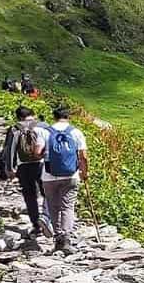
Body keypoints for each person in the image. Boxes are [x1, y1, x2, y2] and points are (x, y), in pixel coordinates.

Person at [42, 106, 88, 255]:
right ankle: (66, 238)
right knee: (67, 206)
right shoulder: (76, 132)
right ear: (68, 117)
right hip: (71, 176)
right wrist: (84, 172)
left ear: (54, 117)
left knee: (53, 206)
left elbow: (37, 152)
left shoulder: (45, 132)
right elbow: (83, 156)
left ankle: (58, 237)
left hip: (48, 176)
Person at [10, 107, 53, 238]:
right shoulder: (44, 126)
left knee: (30, 195)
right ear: (33, 115)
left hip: (23, 166)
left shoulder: (15, 128)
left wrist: (10, 168)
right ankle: (46, 217)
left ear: (18, 117)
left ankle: (36, 224)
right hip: (42, 164)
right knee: (48, 193)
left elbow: (10, 149)